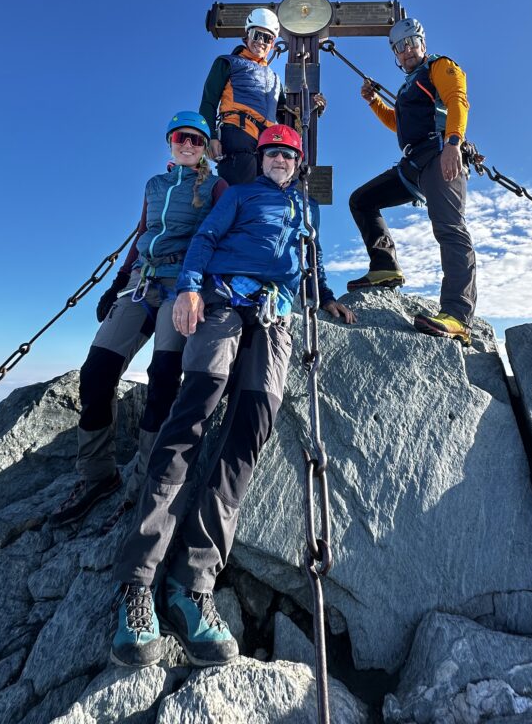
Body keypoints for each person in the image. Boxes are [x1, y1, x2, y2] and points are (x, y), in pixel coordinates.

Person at [109, 125, 355, 668]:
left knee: (248, 433)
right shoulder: (241, 196)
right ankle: (137, 584)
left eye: (288, 156)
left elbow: (310, 265)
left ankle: (190, 583)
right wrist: (190, 287)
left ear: (297, 164)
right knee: (189, 420)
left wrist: (327, 297)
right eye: (272, 154)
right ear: (260, 159)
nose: (280, 162)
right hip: (221, 302)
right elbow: (204, 239)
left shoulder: (305, 213)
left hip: (274, 318)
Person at [50, 112, 227, 527]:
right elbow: (142, 234)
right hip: (140, 281)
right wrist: (115, 283)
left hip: (181, 284)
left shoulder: (216, 186)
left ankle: (145, 481)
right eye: (182, 137)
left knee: (163, 377)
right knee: (96, 372)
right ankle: (97, 475)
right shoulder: (155, 185)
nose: (188, 145)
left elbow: (219, 235)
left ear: (205, 148)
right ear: (169, 141)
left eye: (197, 141)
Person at [347, 17, 477, 344]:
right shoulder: (409, 86)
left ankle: (458, 316)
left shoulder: (440, 67)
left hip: (438, 154)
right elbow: (397, 122)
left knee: (450, 228)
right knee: (362, 199)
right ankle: (385, 266)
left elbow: (457, 100)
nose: (405, 52)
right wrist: (373, 101)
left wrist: (453, 145)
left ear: (422, 42)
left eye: (409, 44)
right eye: (398, 48)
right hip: (413, 163)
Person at [199, 7, 324, 185]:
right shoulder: (227, 63)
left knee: (264, 197)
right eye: (257, 34)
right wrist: (211, 137)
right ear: (247, 35)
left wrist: (311, 108)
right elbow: (208, 102)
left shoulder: (274, 79)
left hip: (268, 144)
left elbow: (285, 113)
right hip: (238, 136)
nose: (261, 41)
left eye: (267, 38)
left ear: (273, 43)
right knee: (241, 194)